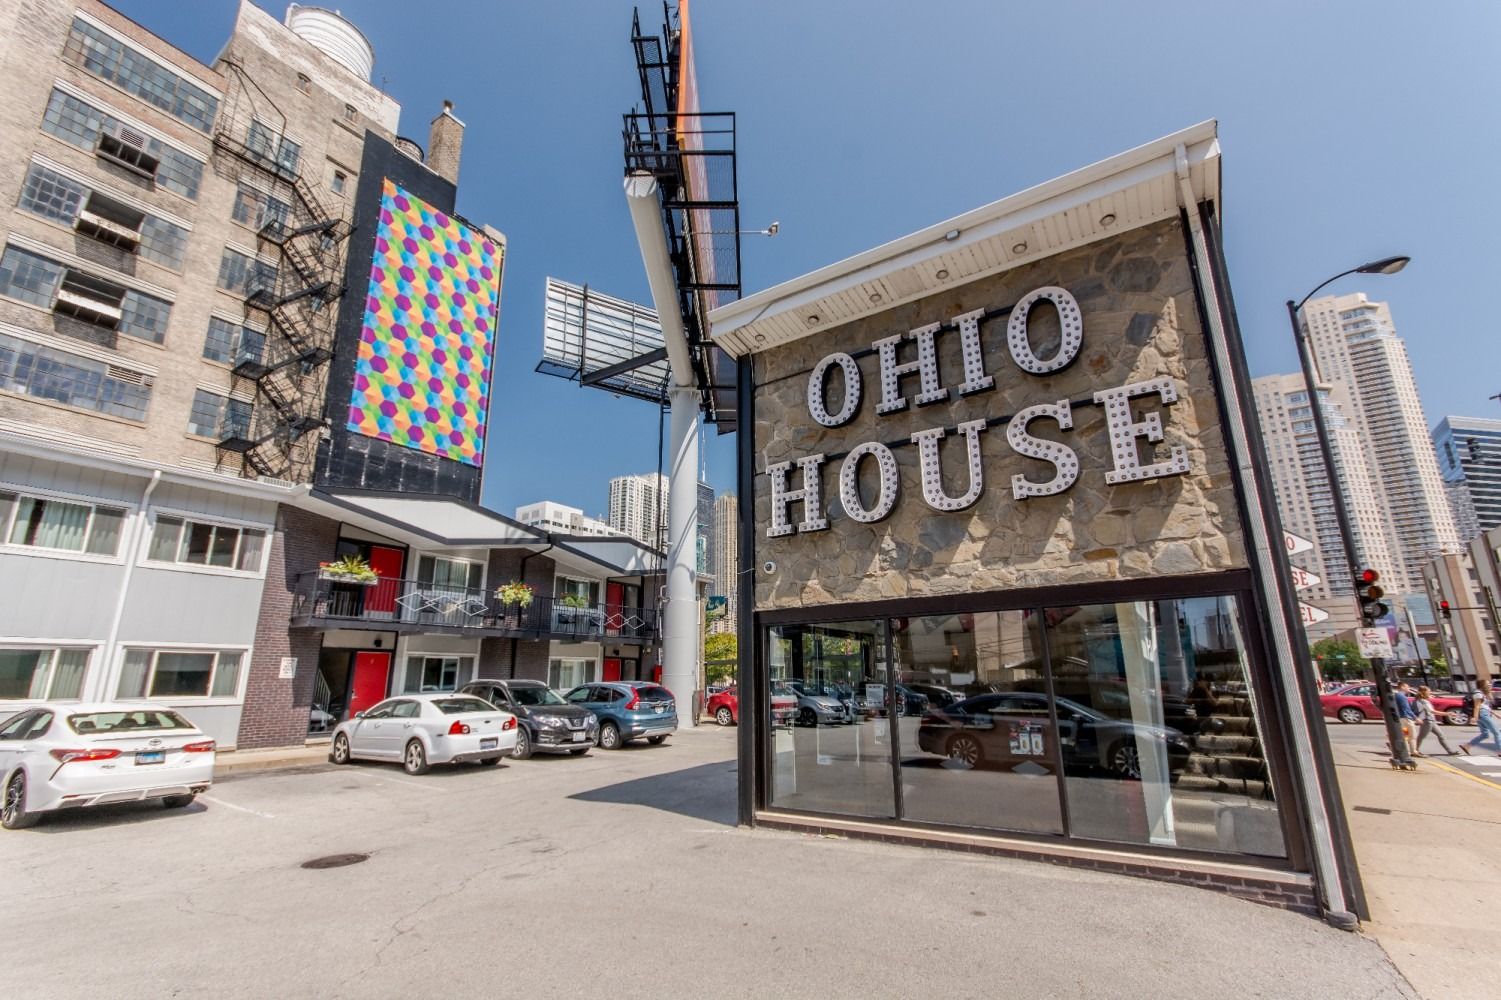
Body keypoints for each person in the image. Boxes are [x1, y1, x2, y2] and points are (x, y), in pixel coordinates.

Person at [1413, 686, 1457, 756]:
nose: (1430, 692)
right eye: (1428, 691)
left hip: (1431, 720)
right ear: (1424, 692)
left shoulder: (1422, 700)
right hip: (1427, 721)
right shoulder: (1423, 701)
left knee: (1441, 735)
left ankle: (1450, 751)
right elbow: (1432, 711)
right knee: (1421, 737)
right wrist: (1448, 713)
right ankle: (1415, 751)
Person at [1462, 680, 1501, 755]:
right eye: (1487, 684)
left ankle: (1467, 746)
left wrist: (1495, 714)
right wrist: (1475, 717)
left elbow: (1485, 706)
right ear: (1482, 685)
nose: (1489, 685)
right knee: (1497, 732)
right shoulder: (1478, 694)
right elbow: (1477, 706)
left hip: (1483, 714)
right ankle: (1500, 750)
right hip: (1482, 714)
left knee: (1485, 734)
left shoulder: (1482, 693)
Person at [1393, 681, 1419, 757]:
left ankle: (1407, 751)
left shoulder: (1397, 695)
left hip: (1402, 718)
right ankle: (1413, 751)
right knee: (1412, 735)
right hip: (1406, 718)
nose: (1409, 688)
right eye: (1407, 687)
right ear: (1402, 687)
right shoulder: (1401, 696)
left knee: (1405, 736)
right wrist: (1415, 718)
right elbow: (1406, 709)